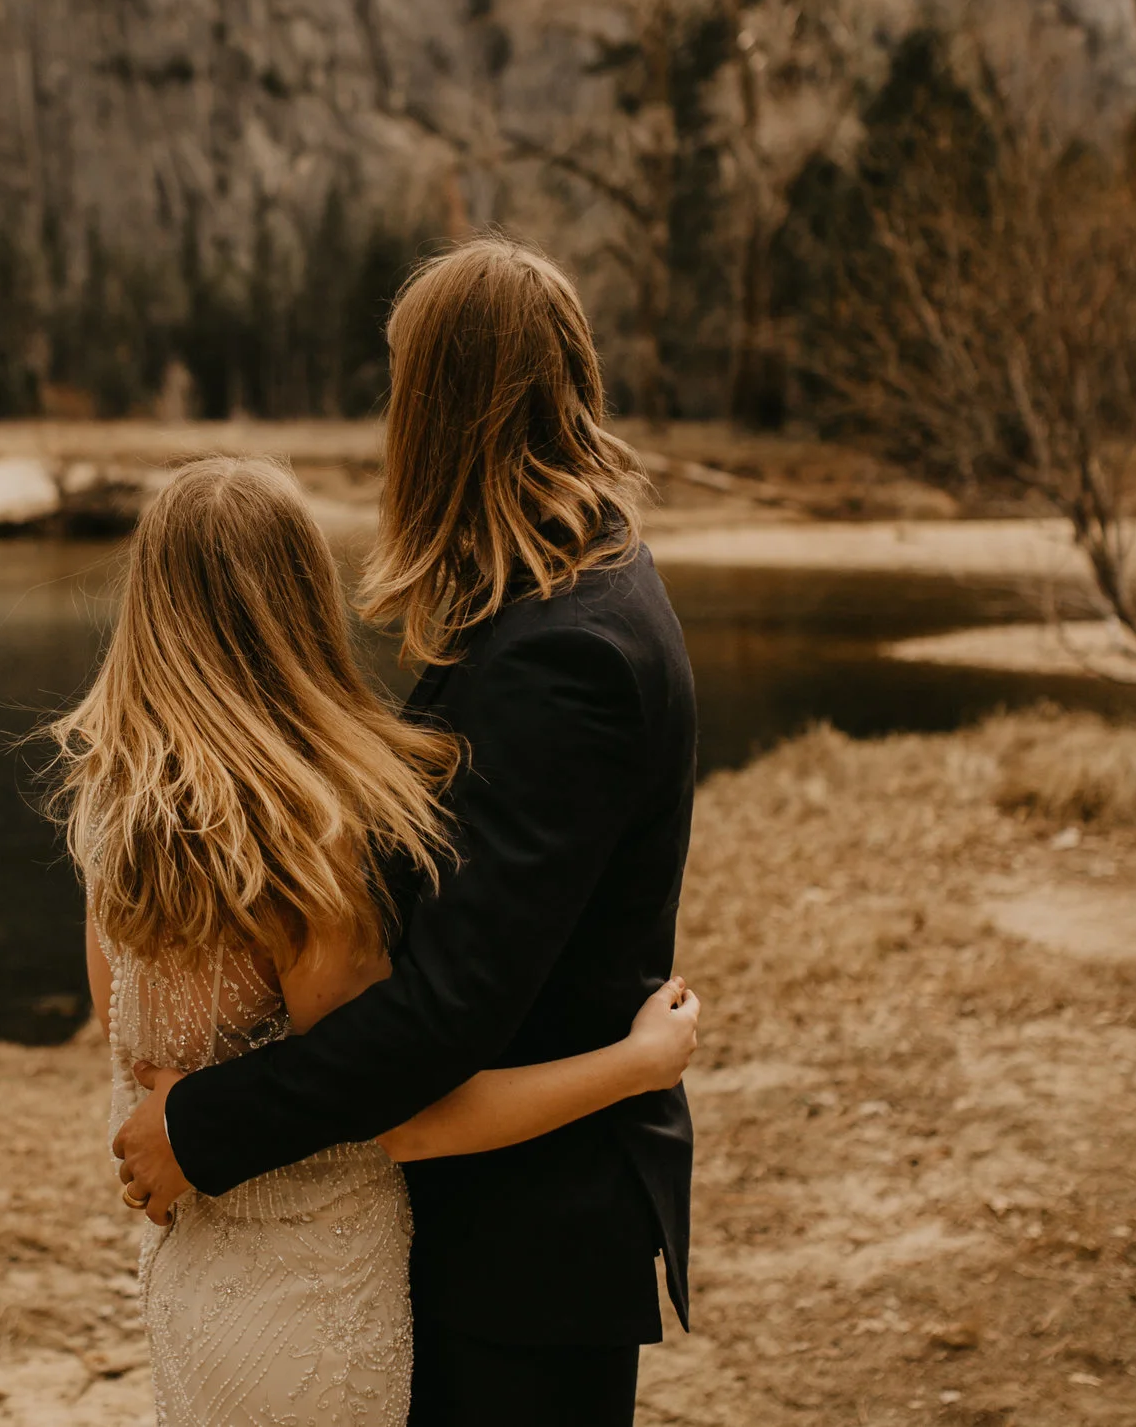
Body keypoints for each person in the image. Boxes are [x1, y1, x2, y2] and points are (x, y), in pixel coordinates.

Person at [111, 237, 701, 1426]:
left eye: (400, 388)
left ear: (446, 406)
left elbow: (447, 1010)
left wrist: (198, 1126)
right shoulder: (554, 595)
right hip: (482, 1231)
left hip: (522, 1250)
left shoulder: (565, 653)